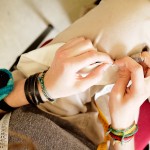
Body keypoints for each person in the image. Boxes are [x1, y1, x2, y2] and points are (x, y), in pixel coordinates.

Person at [0, 0, 150, 149]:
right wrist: (124, 127)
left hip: (34, 103)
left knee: (138, 10)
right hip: (102, 138)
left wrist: (41, 87)